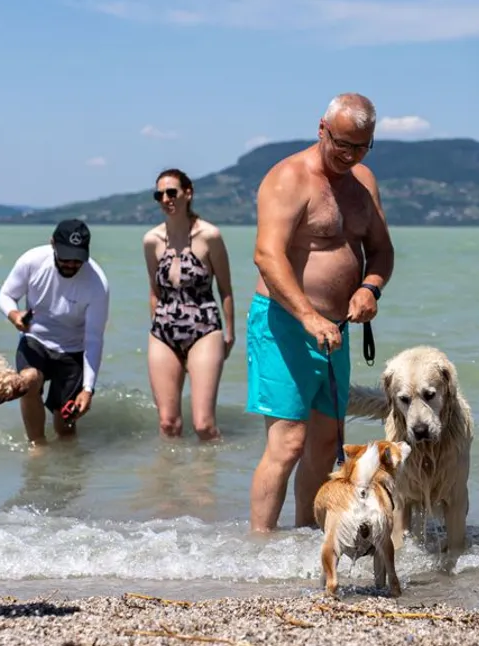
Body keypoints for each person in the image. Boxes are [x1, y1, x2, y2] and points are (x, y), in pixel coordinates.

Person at [246, 92, 396, 533]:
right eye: (342, 145)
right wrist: (309, 317)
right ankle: (258, 547)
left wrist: (370, 288)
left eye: (361, 147)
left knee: (327, 441)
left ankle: (306, 537)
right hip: (284, 324)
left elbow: (382, 251)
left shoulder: (363, 180)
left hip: (336, 331)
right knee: (287, 442)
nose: (349, 156)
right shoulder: (289, 178)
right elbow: (267, 256)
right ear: (322, 129)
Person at [0, 219, 111, 448]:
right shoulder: (32, 261)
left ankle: (69, 469)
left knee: (65, 428)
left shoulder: (97, 284)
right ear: (52, 244)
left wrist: (88, 389)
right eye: (65, 257)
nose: (71, 264)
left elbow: (94, 339)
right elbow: (6, 295)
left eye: (77, 259)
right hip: (36, 339)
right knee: (28, 381)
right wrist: (14, 315)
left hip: (73, 349)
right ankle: (37, 445)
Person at [141, 168, 235, 441]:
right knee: (168, 424)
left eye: (172, 192)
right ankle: (170, 481)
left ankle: (206, 481)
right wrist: (157, 326)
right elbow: (154, 291)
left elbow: (225, 290)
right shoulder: (151, 241)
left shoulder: (210, 236)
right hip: (163, 331)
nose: (166, 199)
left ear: (188, 193)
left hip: (204, 328)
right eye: (159, 194)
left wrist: (230, 334)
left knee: (204, 425)